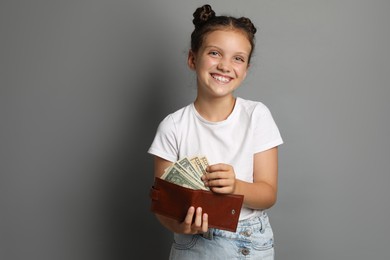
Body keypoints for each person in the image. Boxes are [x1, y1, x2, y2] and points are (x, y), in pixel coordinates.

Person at [148, 4, 283, 259]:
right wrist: (181, 225)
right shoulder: (173, 126)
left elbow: (268, 194)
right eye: (214, 53)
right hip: (193, 243)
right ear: (192, 58)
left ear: (246, 69)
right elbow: (162, 205)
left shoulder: (256, 115)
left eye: (238, 58)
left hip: (249, 242)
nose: (225, 65)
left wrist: (235, 186)